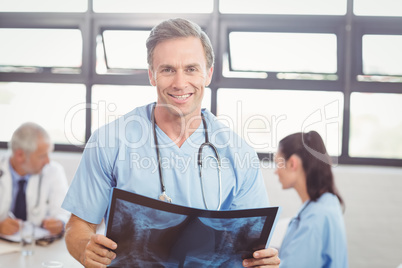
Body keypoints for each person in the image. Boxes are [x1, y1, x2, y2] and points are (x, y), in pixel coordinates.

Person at [62, 18, 280, 267]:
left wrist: (261, 261)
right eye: (167, 69)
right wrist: (84, 249)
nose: (179, 83)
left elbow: (249, 246)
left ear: (208, 74)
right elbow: (78, 226)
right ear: (151, 76)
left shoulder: (238, 152)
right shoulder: (109, 141)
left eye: (191, 69)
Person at [274, 131, 348, 268]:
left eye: (278, 163)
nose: (275, 171)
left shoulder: (316, 216)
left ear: (292, 163)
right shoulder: (326, 202)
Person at [0, 122, 70, 236]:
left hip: (39, 245)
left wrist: (60, 223)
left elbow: (64, 213)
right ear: (20, 155)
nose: (48, 161)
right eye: (42, 156)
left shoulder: (54, 171)